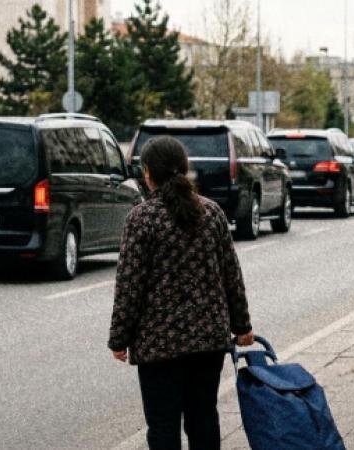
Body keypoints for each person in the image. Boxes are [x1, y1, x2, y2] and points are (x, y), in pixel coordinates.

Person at [108, 136, 254, 450]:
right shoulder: (211, 213)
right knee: (203, 419)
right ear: (185, 170)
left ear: (148, 173)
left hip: (159, 346)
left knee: (163, 427)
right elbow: (231, 274)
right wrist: (242, 326)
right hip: (208, 341)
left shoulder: (142, 219)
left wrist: (119, 339)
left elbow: (129, 286)